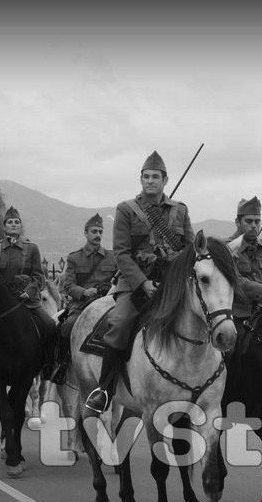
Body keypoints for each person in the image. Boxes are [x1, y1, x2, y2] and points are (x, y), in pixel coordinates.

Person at [83, 151, 194, 414]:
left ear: (165, 180)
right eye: (146, 177)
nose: (150, 181)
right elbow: (121, 253)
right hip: (134, 286)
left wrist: (175, 258)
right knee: (120, 323)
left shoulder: (180, 211)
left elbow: (190, 249)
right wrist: (142, 282)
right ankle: (105, 389)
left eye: (155, 177)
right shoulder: (126, 209)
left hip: (171, 286)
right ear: (141, 179)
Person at [0, 206, 57, 376]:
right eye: (10, 222)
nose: (13, 224)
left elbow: (39, 276)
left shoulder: (32, 248)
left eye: (16, 222)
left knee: (50, 326)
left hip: (27, 301)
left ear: (20, 226)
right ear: (4, 226)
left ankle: (49, 365)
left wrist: (30, 291)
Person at [55, 213, 117, 384]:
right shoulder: (74, 258)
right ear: (86, 233)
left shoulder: (112, 257)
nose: (98, 235)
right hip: (83, 305)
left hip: (107, 304)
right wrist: (83, 292)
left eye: (100, 231)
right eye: (94, 231)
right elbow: (68, 285)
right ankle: (62, 364)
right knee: (66, 326)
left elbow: (119, 280)